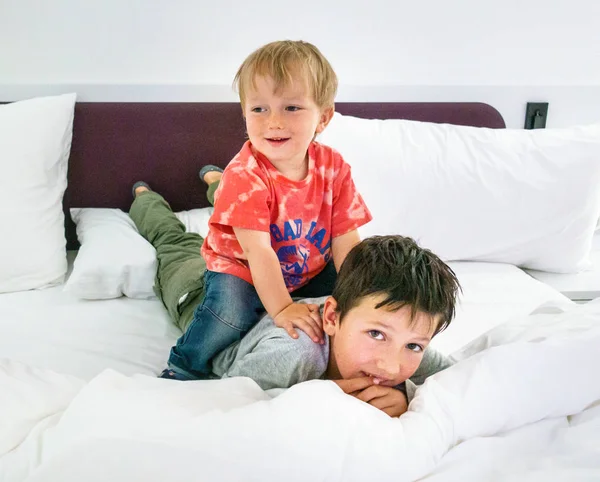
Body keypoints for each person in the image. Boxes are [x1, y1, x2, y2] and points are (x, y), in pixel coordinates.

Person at [130, 39, 372, 381]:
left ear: (324, 118)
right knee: (229, 313)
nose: (273, 122)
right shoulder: (245, 176)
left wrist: (358, 298)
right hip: (241, 265)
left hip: (305, 266)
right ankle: (185, 363)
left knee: (345, 298)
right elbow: (258, 253)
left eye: (291, 108)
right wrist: (284, 309)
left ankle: (211, 180)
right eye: (259, 109)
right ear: (244, 114)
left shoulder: (333, 167)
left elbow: (346, 241)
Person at [208, 234, 461, 418]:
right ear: (331, 318)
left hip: (291, 298)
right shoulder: (294, 353)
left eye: (414, 346)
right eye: (376, 334)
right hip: (218, 298)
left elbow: (462, 381)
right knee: (174, 246)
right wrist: (316, 396)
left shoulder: (403, 341)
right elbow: (229, 400)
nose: (391, 366)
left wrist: (409, 396)